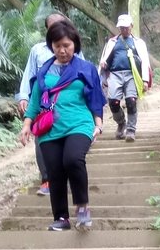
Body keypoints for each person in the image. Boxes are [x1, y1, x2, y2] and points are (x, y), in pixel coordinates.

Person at [18, 20, 105, 231]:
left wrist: (98, 124)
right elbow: (35, 99)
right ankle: (61, 218)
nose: (62, 50)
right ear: (51, 46)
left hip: (79, 123)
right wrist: (27, 125)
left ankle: (82, 207)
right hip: (50, 128)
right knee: (55, 172)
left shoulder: (85, 68)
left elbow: (95, 98)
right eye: (57, 46)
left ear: (75, 44)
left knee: (73, 159)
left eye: (66, 45)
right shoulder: (44, 71)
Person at [17, 12, 73, 195]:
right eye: (53, 27)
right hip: (43, 103)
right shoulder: (38, 50)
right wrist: (24, 96)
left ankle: (66, 176)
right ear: (47, 30)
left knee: (67, 140)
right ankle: (47, 179)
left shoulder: (73, 47)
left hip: (67, 103)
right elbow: (29, 73)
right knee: (42, 138)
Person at [98, 13, 152, 141]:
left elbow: (145, 61)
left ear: (131, 26)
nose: (124, 30)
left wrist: (145, 80)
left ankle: (131, 130)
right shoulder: (112, 42)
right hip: (115, 74)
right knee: (113, 102)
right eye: (122, 27)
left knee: (131, 101)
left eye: (126, 27)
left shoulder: (138, 43)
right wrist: (103, 68)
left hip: (132, 75)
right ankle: (121, 122)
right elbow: (104, 60)